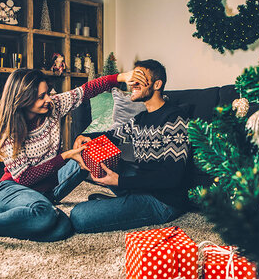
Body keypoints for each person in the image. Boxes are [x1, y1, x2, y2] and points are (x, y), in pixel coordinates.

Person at [0, 68, 146, 245]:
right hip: (14, 190)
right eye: (41, 96)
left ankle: (17, 218)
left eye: (47, 93)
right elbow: (26, 178)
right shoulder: (8, 132)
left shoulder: (53, 107)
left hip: (50, 191)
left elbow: (86, 91)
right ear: (22, 99)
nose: (48, 99)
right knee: (46, 214)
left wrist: (121, 77)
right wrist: (66, 156)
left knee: (63, 228)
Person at [70, 59, 191, 233]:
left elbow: (173, 176)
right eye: (133, 78)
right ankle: (51, 196)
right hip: (141, 183)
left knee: (79, 216)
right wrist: (84, 137)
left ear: (157, 84)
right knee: (88, 149)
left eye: (139, 78)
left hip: (164, 201)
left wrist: (120, 181)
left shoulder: (174, 119)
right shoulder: (140, 118)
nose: (132, 83)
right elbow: (111, 137)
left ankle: (121, 203)